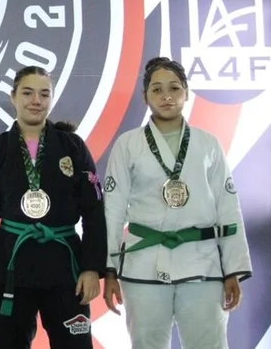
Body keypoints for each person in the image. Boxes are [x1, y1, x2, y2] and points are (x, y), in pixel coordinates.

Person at [101, 57, 253, 349]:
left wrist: (233, 268)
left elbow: (227, 208)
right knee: (146, 344)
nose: (166, 96)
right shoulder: (128, 144)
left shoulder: (208, 144)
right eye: (157, 89)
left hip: (202, 264)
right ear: (145, 96)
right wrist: (109, 269)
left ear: (186, 92)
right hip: (143, 264)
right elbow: (113, 211)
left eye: (174, 88)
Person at [0, 65, 107, 349]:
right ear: (13, 96)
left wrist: (92, 268)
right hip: (11, 266)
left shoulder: (73, 147)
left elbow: (94, 212)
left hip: (65, 265)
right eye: (27, 93)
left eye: (44, 94)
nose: (36, 101)